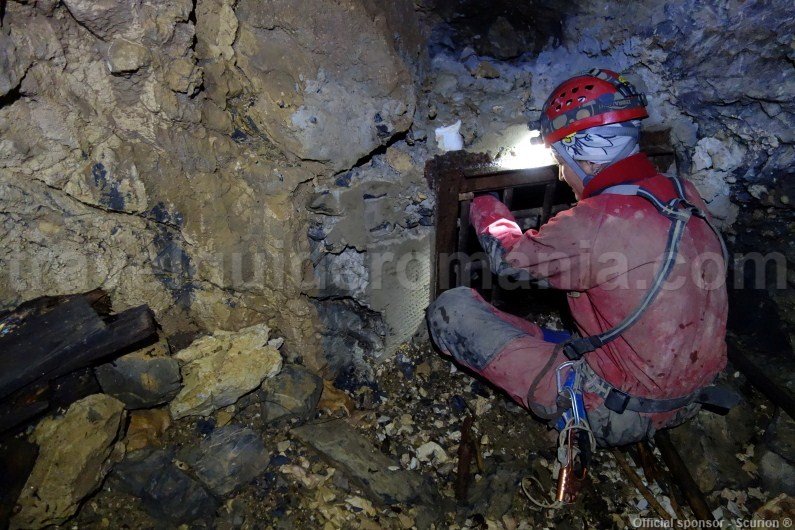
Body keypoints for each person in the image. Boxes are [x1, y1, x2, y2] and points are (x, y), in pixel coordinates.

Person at [426, 69, 733, 446]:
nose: (560, 172)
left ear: (585, 159)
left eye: (559, 159)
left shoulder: (597, 220)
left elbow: (510, 261)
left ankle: (584, 407)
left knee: (451, 309)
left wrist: (485, 206)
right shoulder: (682, 192)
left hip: (617, 411)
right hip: (692, 394)